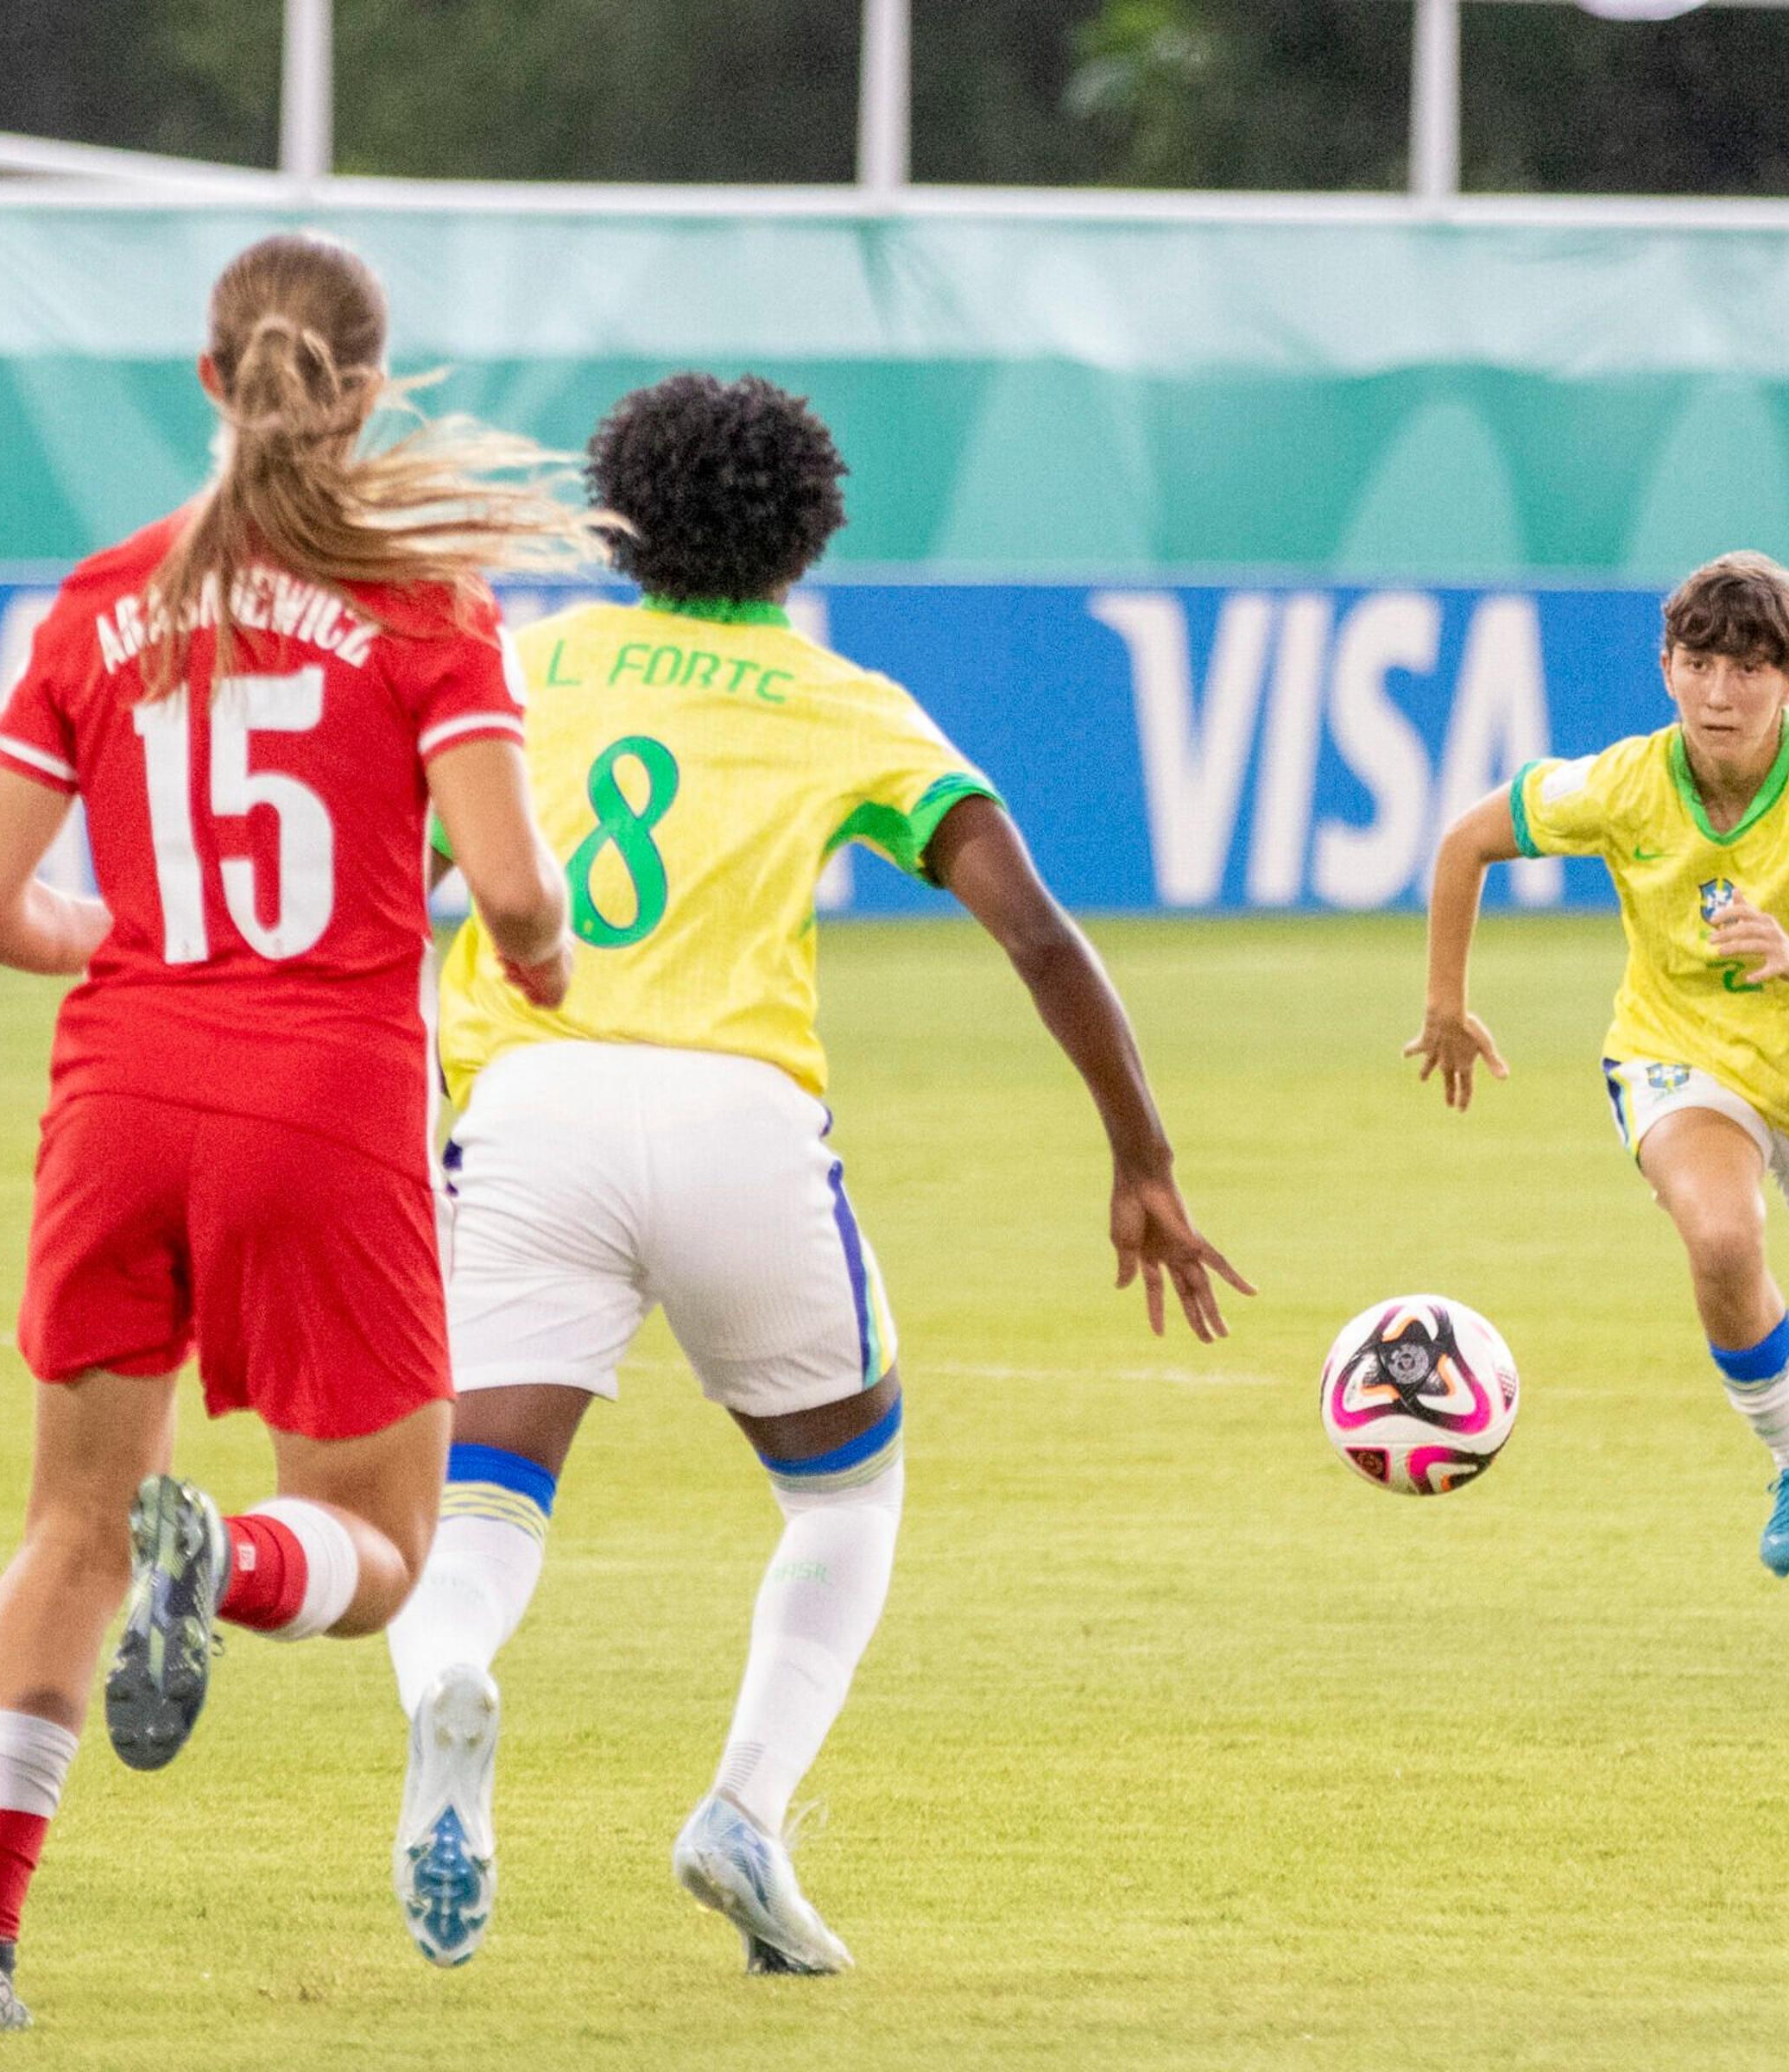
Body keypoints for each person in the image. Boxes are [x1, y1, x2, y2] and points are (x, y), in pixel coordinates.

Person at [382, 371, 1253, 1975]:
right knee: (846, 1491)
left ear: (618, 517)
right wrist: (1142, 1155)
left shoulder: (526, 670)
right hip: (738, 1124)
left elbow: (393, 879)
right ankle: (746, 1810)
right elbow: (1037, 929)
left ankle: (449, 1679)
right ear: (805, 532)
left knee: (488, 1492)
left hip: (530, 1106)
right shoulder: (848, 702)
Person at [0, 231, 597, 2032]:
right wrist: (542, 956)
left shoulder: (99, 600)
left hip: (120, 1090)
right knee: (378, 1544)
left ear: (209, 380)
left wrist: (118, 945)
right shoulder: (426, 605)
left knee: (68, 1523)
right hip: (323, 1096)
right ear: (367, 388)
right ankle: (232, 1556)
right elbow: (513, 882)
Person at [1407, 552, 1789, 1644]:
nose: (1720, 694)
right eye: (1698, 665)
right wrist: (1446, 1004)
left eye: (1747, 669)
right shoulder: (1626, 783)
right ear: (1667, 670)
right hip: (1680, 1055)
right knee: (1722, 1237)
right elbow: (1465, 842)